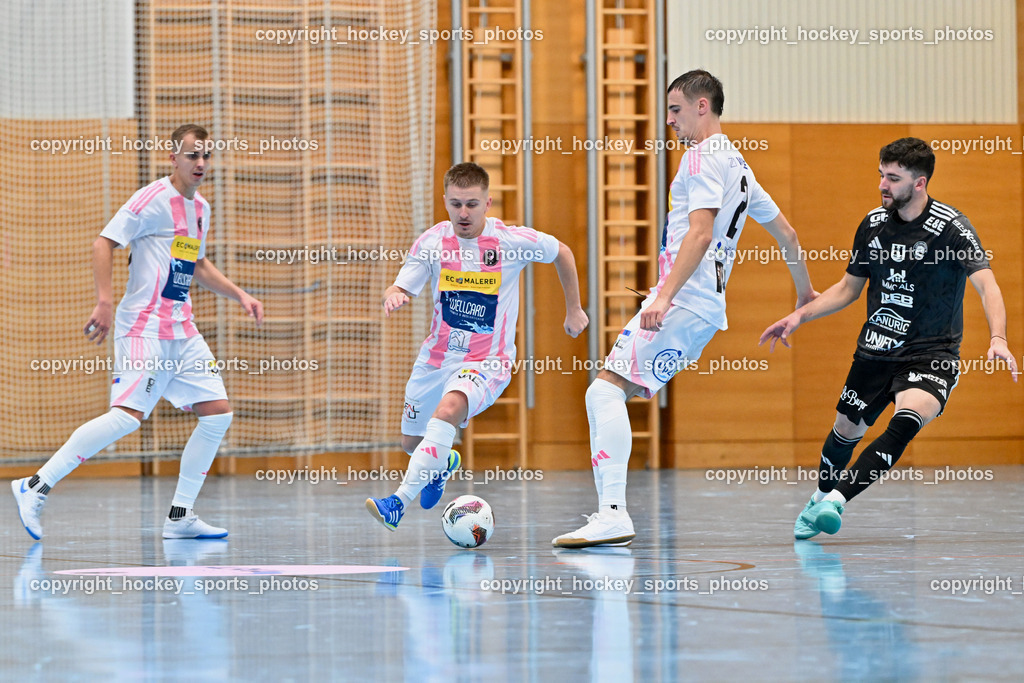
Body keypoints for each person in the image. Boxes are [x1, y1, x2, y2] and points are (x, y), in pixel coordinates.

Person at [552, 70, 817, 548]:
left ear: (702, 106)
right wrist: (804, 294)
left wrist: (663, 295)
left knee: (603, 394)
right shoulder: (739, 165)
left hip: (686, 301)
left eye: (675, 109)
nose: (668, 120)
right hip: (706, 311)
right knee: (614, 391)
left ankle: (612, 515)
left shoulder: (700, 159)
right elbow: (789, 236)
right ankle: (611, 513)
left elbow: (699, 232)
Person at [11, 124, 264, 541]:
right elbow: (103, 243)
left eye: (206, 156)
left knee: (218, 414)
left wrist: (240, 295)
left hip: (182, 328)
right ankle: (35, 486)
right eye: (192, 156)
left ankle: (181, 516)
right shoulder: (151, 199)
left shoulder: (201, 208)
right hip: (143, 327)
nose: (200, 164)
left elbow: (197, 266)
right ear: (174, 159)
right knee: (127, 418)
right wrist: (105, 302)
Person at [760, 137, 1018, 539]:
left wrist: (998, 338)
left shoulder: (951, 229)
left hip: (932, 354)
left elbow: (988, 286)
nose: (882, 184)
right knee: (843, 433)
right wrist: (799, 315)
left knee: (907, 419)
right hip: (875, 352)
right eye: (881, 174)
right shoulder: (873, 225)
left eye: (893, 178)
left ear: (920, 183)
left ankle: (836, 500)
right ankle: (821, 495)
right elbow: (848, 289)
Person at [366, 162, 588, 530]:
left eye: (471, 204)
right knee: (410, 442)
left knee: (447, 410)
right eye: (455, 204)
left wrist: (574, 309)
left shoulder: (510, 242)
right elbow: (402, 284)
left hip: (487, 360)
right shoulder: (434, 241)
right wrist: (393, 295)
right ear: (445, 202)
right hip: (436, 357)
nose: (463, 213)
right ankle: (441, 464)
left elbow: (562, 251)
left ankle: (397, 503)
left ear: (488, 203)